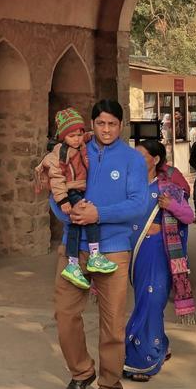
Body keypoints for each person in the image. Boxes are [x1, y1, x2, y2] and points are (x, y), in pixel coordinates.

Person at [52, 99, 148, 389]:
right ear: (92, 124)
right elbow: (55, 191)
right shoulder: (74, 151)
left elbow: (138, 203)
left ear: (121, 125)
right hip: (74, 248)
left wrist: (99, 214)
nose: (106, 130)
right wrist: (69, 214)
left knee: (113, 323)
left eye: (112, 124)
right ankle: (81, 372)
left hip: (113, 249)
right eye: (101, 123)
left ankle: (109, 387)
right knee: (65, 314)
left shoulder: (132, 160)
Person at [124, 139, 196, 382]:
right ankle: (161, 344)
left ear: (155, 160)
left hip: (158, 253)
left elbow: (188, 216)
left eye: (141, 156)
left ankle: (143, 360)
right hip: (136, 253)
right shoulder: (129, 187)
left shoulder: (168, 187)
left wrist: (171, 205)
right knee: (145, 301)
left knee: (152, 301)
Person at [34, 107, 117, 289]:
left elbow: (88, 135)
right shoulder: (60, 154)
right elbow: (56, 178)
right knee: (89, 216)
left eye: (79, 135)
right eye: (72, 136)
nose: (77, 139)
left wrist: (97, 132)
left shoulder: (79, 144)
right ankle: (94, 256)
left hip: (78, 189)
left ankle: (72, 264)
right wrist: (63, 201)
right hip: (70, 192)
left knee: (75, 226)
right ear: (63, 136)